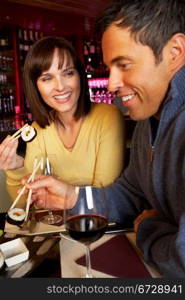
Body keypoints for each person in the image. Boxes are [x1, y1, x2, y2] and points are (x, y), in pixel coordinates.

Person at [23, 0, 185, 277]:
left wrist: (148, 228)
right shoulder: (148, 119)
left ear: (174, 53)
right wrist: (73, 197)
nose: (111, 83)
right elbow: (130, 193)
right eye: (110, 67)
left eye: (124, 64)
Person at [0, 36, 125, 205]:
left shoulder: (108, 117)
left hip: (95, 227)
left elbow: (103, 197)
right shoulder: (38, 130)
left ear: (79, 76)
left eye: (68, 73)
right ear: (35, 86)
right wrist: (16, 169)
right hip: (54, 228)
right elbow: (24, 204)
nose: (60, 86)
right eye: (47, 78)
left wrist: (59, 192)